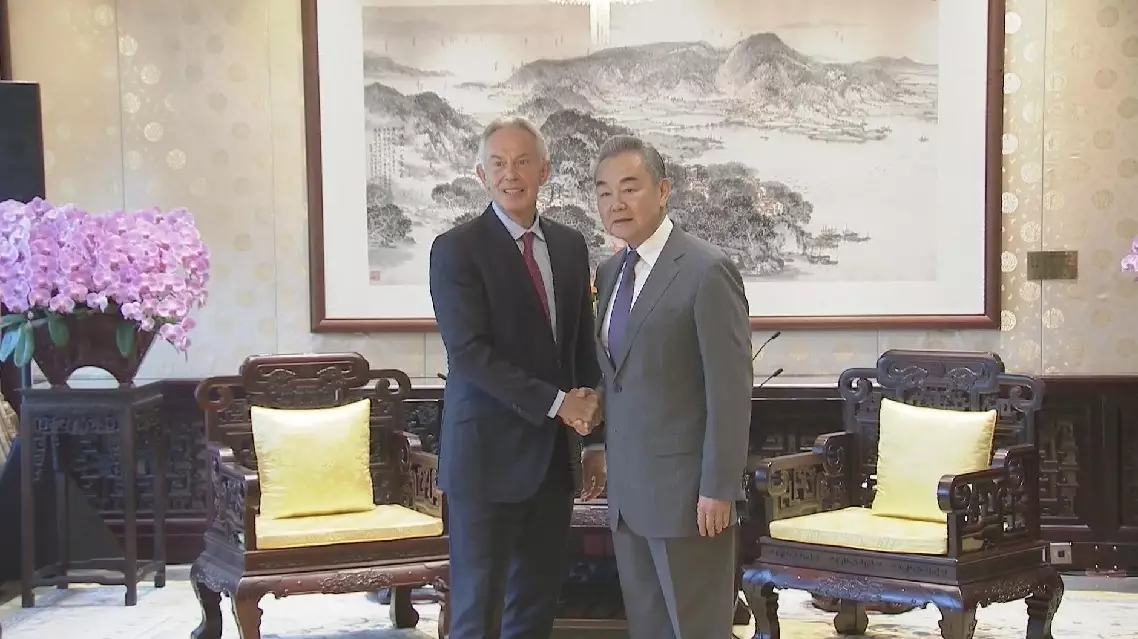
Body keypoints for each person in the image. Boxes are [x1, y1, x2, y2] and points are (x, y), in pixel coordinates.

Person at [428, 116, 606, 639]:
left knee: (534, 609)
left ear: (544, 171)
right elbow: (469, 354)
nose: (512, 174)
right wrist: (557, 403)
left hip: (552, 463)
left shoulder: (570, 246)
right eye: (499, 163)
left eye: (523, 161)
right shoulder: (456, 249)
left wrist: (594, 442)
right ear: (481, 175)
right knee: (477, 614)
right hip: (485, 461)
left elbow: (581, 347)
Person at [586, 134, 753, 638]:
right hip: (629, 498)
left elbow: (730, 391)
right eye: (604, 191)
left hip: (689, 501)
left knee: (698, 630)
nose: (616, 203)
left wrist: (718, 488)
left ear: (663, 191)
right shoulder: (610, 272)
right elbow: (620, 376)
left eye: (629, 188)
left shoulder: (707, 271)